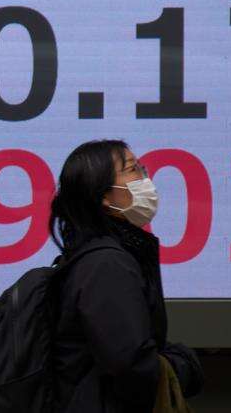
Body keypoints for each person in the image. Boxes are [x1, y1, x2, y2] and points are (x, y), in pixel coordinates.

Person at [48, 139, 204, 412]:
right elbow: (132, 367)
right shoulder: (106, 265)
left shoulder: (97, 256)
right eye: (133, 170)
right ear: (103, 196)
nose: (146, 180)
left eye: (143, 169)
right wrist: (183, 365)